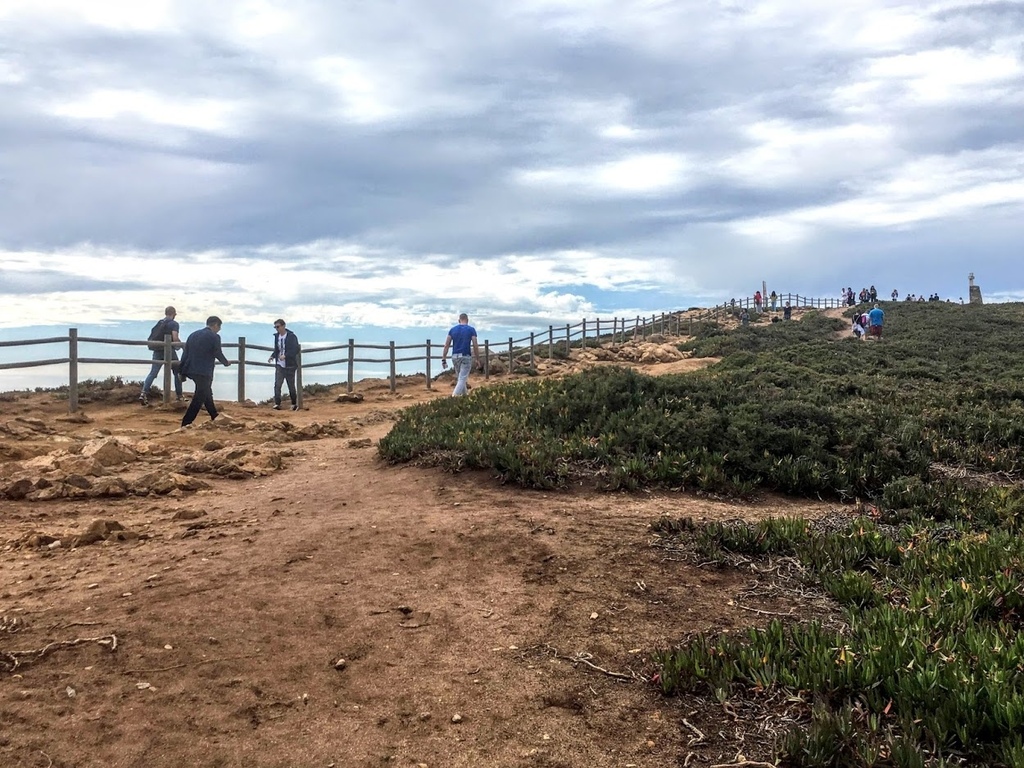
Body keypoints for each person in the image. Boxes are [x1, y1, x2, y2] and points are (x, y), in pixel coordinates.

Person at [178, 316, 231, 427]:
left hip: (190, 368)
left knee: (206, 392)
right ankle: (186, 422)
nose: (219, 329)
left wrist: (181, 371)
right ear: (215, 324)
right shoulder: (214, 337)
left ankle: (214, 415)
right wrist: (226, 363)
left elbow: (185, 353)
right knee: (200, 396)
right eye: (219, 326)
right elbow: (217, 352)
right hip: (204, 370)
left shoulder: (193, 335)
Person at [140, 306, 184, 405]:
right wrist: (181, 346)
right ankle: (179, 396)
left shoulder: (159, 323)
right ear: (174, 314)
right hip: (169, 351)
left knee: (153, 373)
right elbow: (175, 338)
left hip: (157, 350)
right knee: (177, 372)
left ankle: (143, 393)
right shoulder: (174, 324)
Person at [441, 312, 479, 397]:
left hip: (455, 357)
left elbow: (446, 345)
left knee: (461, 379)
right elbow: (475, 345)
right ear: (467, 320)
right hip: (466, 356)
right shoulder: (471, 330)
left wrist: (444, 359)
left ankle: (465, 397)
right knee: (462, 379)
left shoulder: (452, 330)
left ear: (459, 320)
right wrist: (477, 358)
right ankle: (454, 396)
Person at [267, 319, 300, 411]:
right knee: (277, 384)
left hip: (290, 365)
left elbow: (295, 349)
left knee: (291, 385)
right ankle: (277, 403)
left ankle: (294, 404)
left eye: (278, 327)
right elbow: (277, 349)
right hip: (279, 365)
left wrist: (286, 356)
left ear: (283, 326)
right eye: (275, 327)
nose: (277, 329)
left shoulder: (292, 337)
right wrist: (273, 356)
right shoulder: (277, 337)